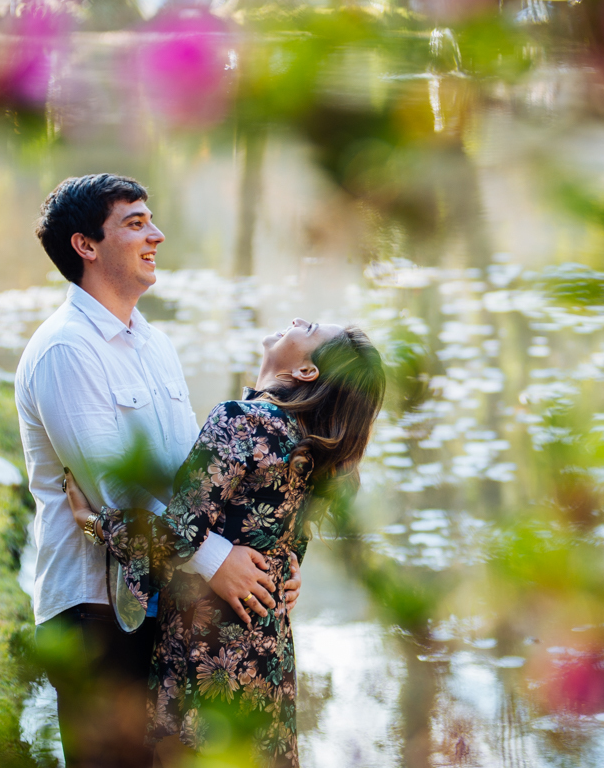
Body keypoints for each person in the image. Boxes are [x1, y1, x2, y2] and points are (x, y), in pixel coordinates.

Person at [15, 173, 300, 768]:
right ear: (85, 246)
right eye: (135, 223)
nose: (157, 235)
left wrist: (273, 563)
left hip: (167, 612)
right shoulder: (66, 349)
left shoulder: (154, 345)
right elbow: (116, 492)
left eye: (152, 221)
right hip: (98, 614)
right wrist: (217, 561)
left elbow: (196, 485)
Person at [63, 319, 386, 768]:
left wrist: (95, 522)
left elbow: (175, 536)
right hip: (268, 649)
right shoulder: (318, 452)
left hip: (206, 646)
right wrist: (289, 570)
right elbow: (293, 542)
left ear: (309, 372)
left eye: (307, 327)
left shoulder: (241, 422)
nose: (294, 321)